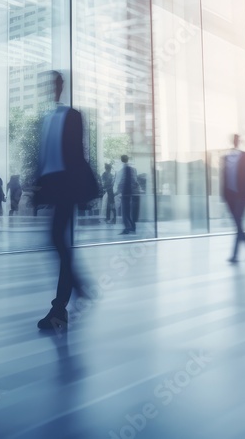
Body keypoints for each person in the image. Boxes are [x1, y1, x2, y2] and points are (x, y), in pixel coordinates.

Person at [33, 71, 99, 332]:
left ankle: (60, 307)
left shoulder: (73, 116)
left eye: (56, 84)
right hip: (53, 185)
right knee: (59, 241)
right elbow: (43, 157)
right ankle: (77, 288)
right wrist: (39, 190)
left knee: (58, 240)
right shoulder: (45, 119)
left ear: (62, 87)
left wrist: (83, 192)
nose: (53, 88)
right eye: (49, 85)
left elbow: (77, 154)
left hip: (68, 186)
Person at [222, 134, 245, 262]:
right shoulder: (225, 157)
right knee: (238, 224)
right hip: (229, 195)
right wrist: (223, 194)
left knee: (238, 223)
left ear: (239, 141)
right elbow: (224, 177)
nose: (235, 142)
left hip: (242, 195)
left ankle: (235, 255)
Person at [114, 155, 140, 235]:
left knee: (125, 212)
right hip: (132, 193)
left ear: (121, 160)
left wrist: (117, 191)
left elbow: (121, 181)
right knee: (130, 212)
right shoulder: (133, 169)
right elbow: (135, 180)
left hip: (125, 193)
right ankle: (132, 226)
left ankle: (127, 228)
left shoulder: (122, 169)